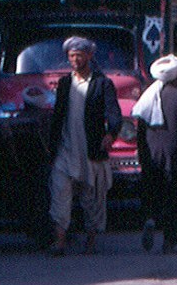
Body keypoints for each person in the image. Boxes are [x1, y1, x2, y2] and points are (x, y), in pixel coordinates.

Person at [48, 36, 122, 256]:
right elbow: (57, 116)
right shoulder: (64, 84)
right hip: (66, 149)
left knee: (92, 198)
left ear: (89, 56)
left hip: (90, 151)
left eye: (79, 55)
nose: (75, 60)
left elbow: (114, 114)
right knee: (60, 192)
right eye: (71, 56)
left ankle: (91, 240)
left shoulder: (102, 83)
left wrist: (110, 134)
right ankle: (59, 240)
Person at [132, 54, 177, 254]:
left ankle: (151, 219)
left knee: (153, 191)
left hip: (151, 153)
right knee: (173, 197)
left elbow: (140, 131)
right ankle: (169, 241)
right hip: (175, 155)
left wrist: (143, 156)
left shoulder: (147, 97)